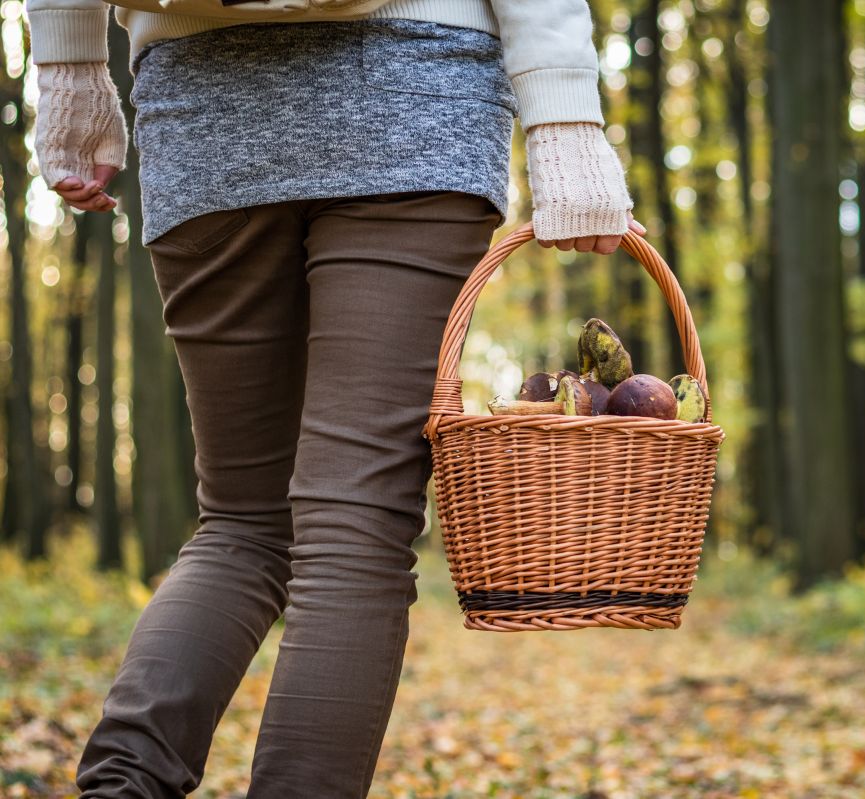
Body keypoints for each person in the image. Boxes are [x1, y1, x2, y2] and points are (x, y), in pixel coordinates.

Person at [25, 0, 642, 794]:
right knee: (355, 520)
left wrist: (70, 66)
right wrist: (564, 116)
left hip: (202, 100)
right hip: (417, 92)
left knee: (242, 526)